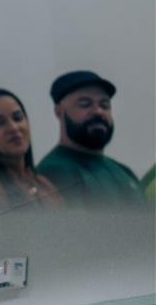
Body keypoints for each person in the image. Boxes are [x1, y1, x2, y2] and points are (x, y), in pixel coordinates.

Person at [35, 71, 144, 206]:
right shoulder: (55, 172)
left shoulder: (124, 172)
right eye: (85, 104)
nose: (98, 111)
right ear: (59, 111)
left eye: (104, 105)